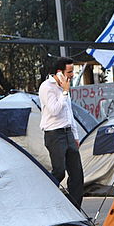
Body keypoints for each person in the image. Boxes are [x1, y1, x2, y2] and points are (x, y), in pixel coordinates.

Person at [39, 56, 84, 209]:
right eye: (70, 71)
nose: (72, 75)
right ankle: (45, 204)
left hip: (68, 133)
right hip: (54, 134)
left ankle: (75, 211)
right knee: (59, 172)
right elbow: (55, 110)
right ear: (60, 72)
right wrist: (64, 92)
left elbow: (69, 113)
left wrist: (75, 136)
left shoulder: (65, 88)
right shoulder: (47, 87)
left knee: (77, 174)